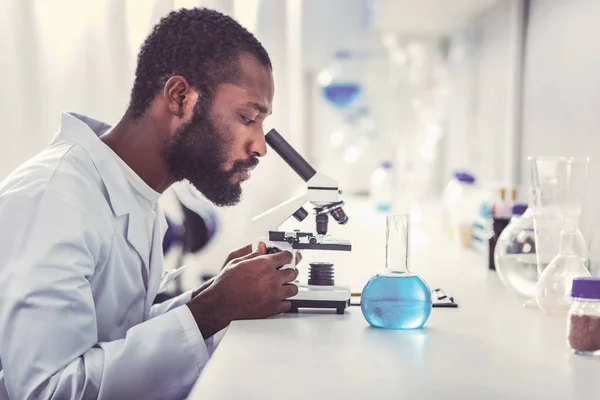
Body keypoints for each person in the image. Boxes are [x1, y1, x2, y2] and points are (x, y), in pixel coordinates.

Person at [0, 8, 299, 400]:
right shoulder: (53, 198)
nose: (260, 146)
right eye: (247, 117)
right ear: (180, 97)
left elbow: (116, 339)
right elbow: (46, 390)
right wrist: (211, 310)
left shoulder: (138, 195)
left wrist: (213, 294)